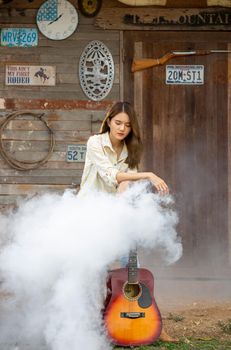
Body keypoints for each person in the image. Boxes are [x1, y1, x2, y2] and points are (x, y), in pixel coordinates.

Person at [79, 101, 177, 342]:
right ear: (109, 121)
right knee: (96, 271)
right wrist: (148, 174)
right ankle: (97, 326)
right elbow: (110, 176)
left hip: (116, 213)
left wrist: (129, 212)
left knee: (133, 267)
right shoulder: (95, 143)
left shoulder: (130, 151)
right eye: (118, 123)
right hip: (91, 214)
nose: (122, 128)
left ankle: (152, 322)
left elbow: (125, 185)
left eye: (128, 125)